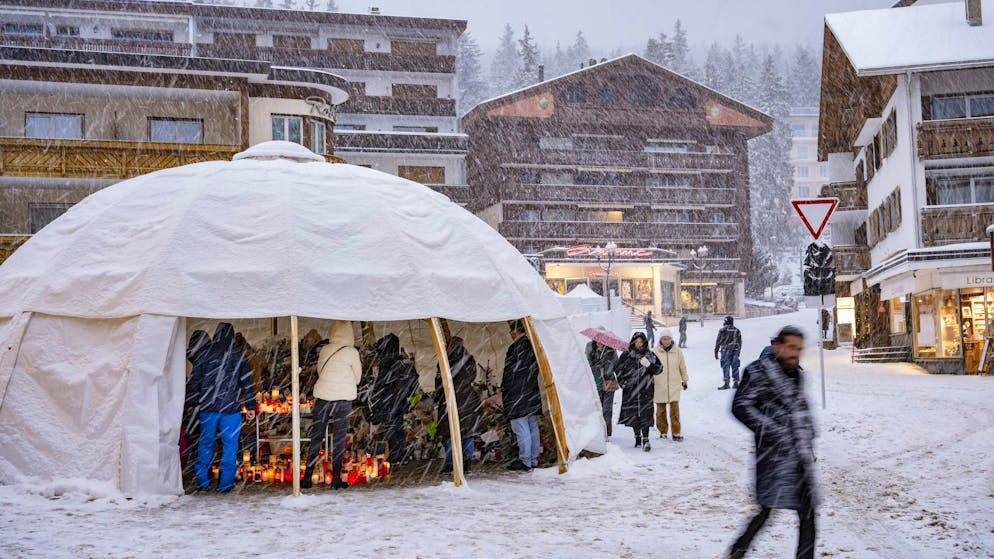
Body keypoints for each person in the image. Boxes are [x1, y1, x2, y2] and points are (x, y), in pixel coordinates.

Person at [729, 326, 818, 559]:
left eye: (799, 349)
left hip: (799, 455)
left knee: (808, 515)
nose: (795, 353)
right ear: (777, 346)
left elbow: (800, 408)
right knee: (766, 512)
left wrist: (808, 434)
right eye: (790, 347)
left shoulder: (796, 372)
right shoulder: (758, 371)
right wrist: (773, 431)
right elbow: (740, 406)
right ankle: (738, 551)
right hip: (773, 455)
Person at [188, 323, 257, 493]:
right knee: (230, 445)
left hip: (208, 407)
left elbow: (195, 380)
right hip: (231, 408)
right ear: (232, 336)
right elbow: (247, 383)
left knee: (206, 443)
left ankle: (202, 481)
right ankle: (225, 483)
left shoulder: (204, 353)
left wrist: (194, 402)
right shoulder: (238, 355)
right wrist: (250, 406)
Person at [302, 320, 362, 489]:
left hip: (323, 397)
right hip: (343, 399)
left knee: (316, 436)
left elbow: (320, 371)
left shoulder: (326, 349)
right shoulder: (352, 352)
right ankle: (335, 477)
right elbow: (357, 378)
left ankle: (307, 476)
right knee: (339, 438)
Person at [435, 337, 484, 474]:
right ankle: (467, 463)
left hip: (450, 399)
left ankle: (451, 463)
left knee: (449, 433)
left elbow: (439, 383)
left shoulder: (444, 359)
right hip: (467, 399)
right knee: (467, 433)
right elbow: (472, 376)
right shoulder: (469, 359)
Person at [371, 333, 420, 464]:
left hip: (389, 400)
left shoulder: (386, 362)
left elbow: (382, 383)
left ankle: (395, 455)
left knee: (391, 429)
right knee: (398, 428)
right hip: (399, 400)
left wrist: (377, 396)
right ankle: (401, 454)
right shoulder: (399, 361)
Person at [501, 319, 542, 471]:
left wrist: (506, 390)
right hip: (531, 392)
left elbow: (510, 374)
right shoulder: (532, 346)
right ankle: (533, 459)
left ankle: (525, 460)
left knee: (520, 427)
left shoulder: (515, 348)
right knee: (532, 426)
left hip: (517, 394)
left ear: (515, 331)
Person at [616, 332, 661, 451]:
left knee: (645, 414)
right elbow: (618, 370)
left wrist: (648, 364)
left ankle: (646, 439)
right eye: (636, 342)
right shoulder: (626, 355)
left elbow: (658, 370)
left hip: (646, 390)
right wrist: (623, 383)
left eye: (641, 342)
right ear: (633, 342)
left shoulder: (650, 355)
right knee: (633, 415)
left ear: (644, 342)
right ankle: (637, 437)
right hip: (630, 390)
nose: (638, 344)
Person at [651, 329, 688, 441]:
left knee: (675, 411)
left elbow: (682, 366)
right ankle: (663, 432)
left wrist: (685, 379)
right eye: (664, 339)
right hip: (659, 384)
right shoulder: (654, 352)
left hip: (674, 385)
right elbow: (650, 368)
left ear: (671, 339)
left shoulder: (677, 351)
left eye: (668, 338)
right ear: (660, 340)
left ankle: (676, 433)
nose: (666, 341)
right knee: (660, 412)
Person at [586, 336, 619, 438]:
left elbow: (616, 365)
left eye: (602, 340)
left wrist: (607, 368)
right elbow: (587, 364)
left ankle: (607, 432)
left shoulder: (611, 350)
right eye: (597, 340)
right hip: (596, 382)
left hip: (609, 382)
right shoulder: (590, 350)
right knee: (598, 408)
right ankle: (598, 431)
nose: (600, 343)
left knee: (607, 409)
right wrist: (596, 366)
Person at [714, 315, 743, 390]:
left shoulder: (722, 330)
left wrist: (716, 351)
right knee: (735, 366)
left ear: (726, 321)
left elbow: (718, 341)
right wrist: (738, 351)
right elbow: (740, 342)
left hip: (725, 351)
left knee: (725, 367)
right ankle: (736, 382)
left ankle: (726, 383)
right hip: (735, 350)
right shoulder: (737, 330)